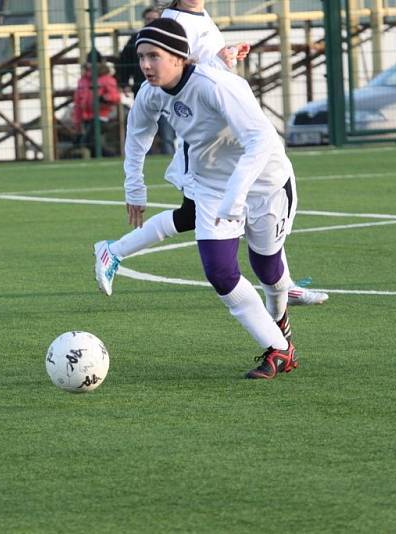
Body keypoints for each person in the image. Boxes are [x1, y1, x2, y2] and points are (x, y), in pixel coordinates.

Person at [94, 0, 328, 306]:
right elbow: (185, 74)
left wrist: (223, 57)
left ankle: (282, 283)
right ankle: (115, 250)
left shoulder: (197, 14)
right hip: (205, 148)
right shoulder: (177, 19)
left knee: (257, 203)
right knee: (216, 210)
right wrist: (134, 185)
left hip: (223, 138)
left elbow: (200, 67)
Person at [109, 18, 299, 379]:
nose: (146, 65)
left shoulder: (217, 85)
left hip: (266, 185)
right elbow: (137, 135)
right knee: (221, 272)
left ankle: (280, 323)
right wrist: (134, 188)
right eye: (142, 57)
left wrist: (237, 195)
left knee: (269, 272)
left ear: (180, 57)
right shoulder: (151, 93)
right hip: (212, 187)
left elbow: (261, 140)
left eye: (154, 56)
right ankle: (279, 349)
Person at [116, 6, 175, 154]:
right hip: (141, 89)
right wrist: (123, 83)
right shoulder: (136, 40)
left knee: (166, 130)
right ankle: (143, 159)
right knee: (143, 130)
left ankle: (169, 156)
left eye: (153, 19)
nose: (150, 22)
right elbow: (124, 63)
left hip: (167, 90)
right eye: (147, 19)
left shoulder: (168, 39)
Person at [72, 55, 122, 157]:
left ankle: (113, 157)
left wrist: (105, 98)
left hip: (101, 117)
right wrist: (77, 123)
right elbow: (77, 103)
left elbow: (116, 96)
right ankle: (107, 159)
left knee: (88, 142)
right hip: (86, 117)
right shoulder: (82, 80)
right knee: (92, 144)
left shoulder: (107, 79)